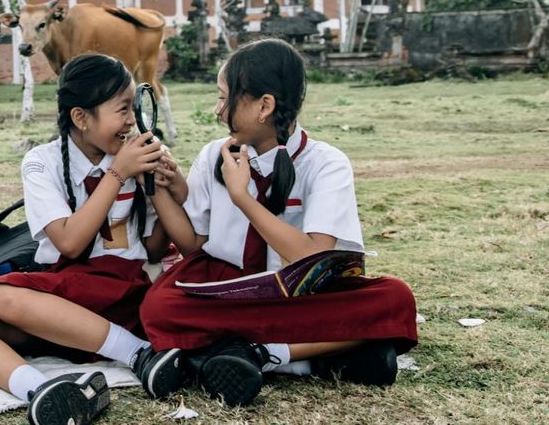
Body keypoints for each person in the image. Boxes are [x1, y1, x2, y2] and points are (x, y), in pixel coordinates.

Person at [136, 38, 418, 406]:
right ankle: (312, 360)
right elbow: (192, 245)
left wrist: (243, 198)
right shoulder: (212, 155)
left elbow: (312, 260)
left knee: (395, 299)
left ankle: (251, 356)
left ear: (264, 106)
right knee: (158, 307)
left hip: (300, 296)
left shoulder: (325, 164)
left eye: (225, 98)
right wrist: (157, 187)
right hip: (228, 290)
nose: (218, 110)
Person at [0, 53, 193, 425]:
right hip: (60, 301)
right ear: (80, 118)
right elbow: (68, 243)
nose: (132, 120)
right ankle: (43, 391)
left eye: (134, 108)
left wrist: (162, 189)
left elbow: (152, 248)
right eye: (122, 109)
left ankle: (140, 356)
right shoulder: (42, 162)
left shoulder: (132, 158)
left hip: (120, 292)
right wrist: (118, 173)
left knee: (1, 295)